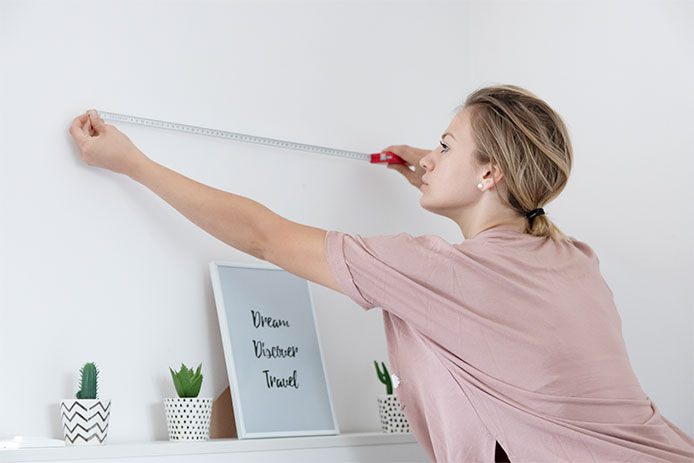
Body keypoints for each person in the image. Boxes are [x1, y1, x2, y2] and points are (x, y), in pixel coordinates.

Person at [68, 84, 694, 462]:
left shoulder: (435, 271)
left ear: (489, 173)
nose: (432, 153)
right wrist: (445, 169)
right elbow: (491, 265)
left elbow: (265, 236)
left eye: (446, 144)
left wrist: (133, 163)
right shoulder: (574, 260)